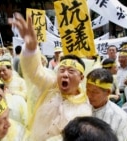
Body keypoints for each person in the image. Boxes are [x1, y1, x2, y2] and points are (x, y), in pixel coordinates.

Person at [8, 12, 92, 140]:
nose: (65, 74)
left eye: (71, 71)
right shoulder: (50, 87)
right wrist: (31, 49)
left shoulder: (85, 108)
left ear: (81, 78)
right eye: (62, 70)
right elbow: (34, 71)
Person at [86, 68, 127, 141]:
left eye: (95, 92)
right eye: (87, 90)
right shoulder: (80, 108)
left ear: (108, 92)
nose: (89, 95)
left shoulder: (120, 118)